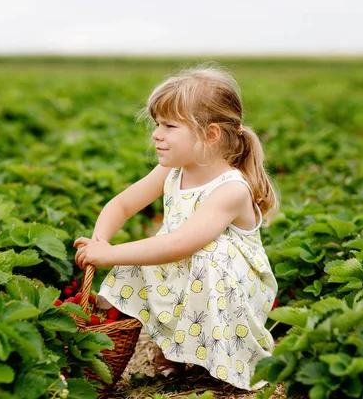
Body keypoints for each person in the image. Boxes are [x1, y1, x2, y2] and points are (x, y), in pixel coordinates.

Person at [73, 65, 279, 391]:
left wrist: (112, 254)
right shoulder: (172, 170)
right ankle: (172, 348)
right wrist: (99, 241)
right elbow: (123, 205)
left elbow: (181, 243)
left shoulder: (231, 188)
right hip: (187, 267)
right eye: (157, 124)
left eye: (169, 126)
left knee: (200, 253)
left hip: (230, 284)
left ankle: (223, 356)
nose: (157, 134)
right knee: (143, 256)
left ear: (210, 134)